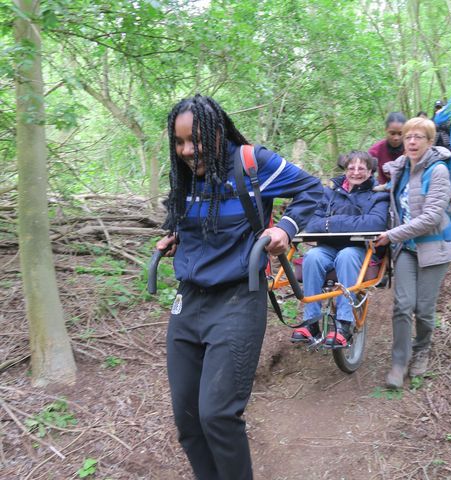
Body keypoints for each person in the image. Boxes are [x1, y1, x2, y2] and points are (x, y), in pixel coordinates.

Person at [155, 94, 322, 480]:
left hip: (238, 298)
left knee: (217, 414)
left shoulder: (250, 162)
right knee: (188, 420)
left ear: (216, 132)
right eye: (179, 142)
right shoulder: (185, 172)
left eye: (194, 140)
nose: (186, 150)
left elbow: (313, 190)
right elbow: (190, 216)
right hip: (189, 300)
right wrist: (176, 236)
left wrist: (285, 228)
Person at [374, 117, 451, 389]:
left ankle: (421, 350)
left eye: (418, 137)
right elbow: (391, 192)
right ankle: (399, 362)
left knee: (423, 308)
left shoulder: (438, 171)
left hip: (435, 247)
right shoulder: (400, 169)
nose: (411, 141)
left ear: (430, 142)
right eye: (408, 136)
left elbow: (433, 216)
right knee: (402, 305)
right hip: (407, 250)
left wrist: (391, 235)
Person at [292, 151, 390, 346]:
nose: (356, 172)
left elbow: (375, 223)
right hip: (327, 247)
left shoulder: (377, 197)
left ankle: (344, 322)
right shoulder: (328, 194)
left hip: (358, 249)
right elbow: (311, 222)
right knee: (312, 257)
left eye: (361, 168)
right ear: (345, 170)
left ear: (370, 172)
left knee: (346, 256)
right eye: (351, 168)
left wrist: (332, 223)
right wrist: (350, 222)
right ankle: (311, 322)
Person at [368, 112, 406, 186]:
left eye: (400, 134)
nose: (396, 138)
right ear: (386, 130)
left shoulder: (411, 148)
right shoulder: (376, 150)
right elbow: (366, 173)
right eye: (392, 133)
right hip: (384, 191)